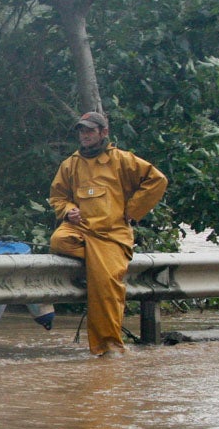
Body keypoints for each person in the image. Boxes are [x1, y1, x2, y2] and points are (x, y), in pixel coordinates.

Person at [49, 111, 167, 357]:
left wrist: (133, 210)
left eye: (90, 130)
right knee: (59, 240)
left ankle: (110, 347)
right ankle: (97, 262)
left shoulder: (122, 160)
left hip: (112, 234)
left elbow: (157, 180)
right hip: (80, 231)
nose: (85, 135)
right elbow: (58, 197)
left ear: (104, 133)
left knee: (105, 287)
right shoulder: (70, 164)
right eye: (82, 131)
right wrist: (69, 210)